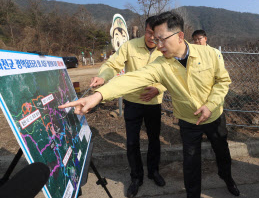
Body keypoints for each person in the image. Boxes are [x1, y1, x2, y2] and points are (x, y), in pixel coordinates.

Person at [59, 11, 240, 198]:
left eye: (162, 39)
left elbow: (223, 82)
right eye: (155, 38)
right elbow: (132, 78)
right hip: (189, 120)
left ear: (179, 36)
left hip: (214, 115)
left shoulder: (211, 53)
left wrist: (210, 105)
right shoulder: (161, 64)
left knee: (222, 152)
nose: (158, 45)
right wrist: (98, 96)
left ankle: (227, 178)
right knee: (191, 163)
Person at [90, 16, 167, 198]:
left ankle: (153, 171)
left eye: (156, 35)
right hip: (132, 102)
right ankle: (136, 177)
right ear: (144, 29)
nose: (152, 38)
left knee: (154, 139)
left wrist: (159, 89)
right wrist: (103, 76)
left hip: (154, 103)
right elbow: (112, 64)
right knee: (132, 142)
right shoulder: (130, 46)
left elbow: (172, 74)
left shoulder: (164, 49)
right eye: (149, 33)